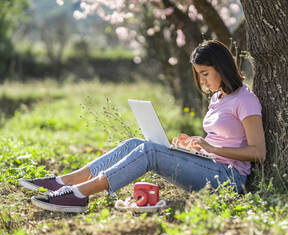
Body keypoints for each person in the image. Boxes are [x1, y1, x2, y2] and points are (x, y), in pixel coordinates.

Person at [19, 40, 266, 213]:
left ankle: (79, 194)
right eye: (199, 74)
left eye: (205, 73)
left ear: (221, 68)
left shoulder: (245, 99)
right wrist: (195, 146)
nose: (202, 80)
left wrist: (211, 147)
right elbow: (222, 140)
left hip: (229, 178)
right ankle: (64, 182)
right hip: (210, 167)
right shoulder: (218, 97)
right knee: (137, 143)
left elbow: (258, 152)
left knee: (150, 151)